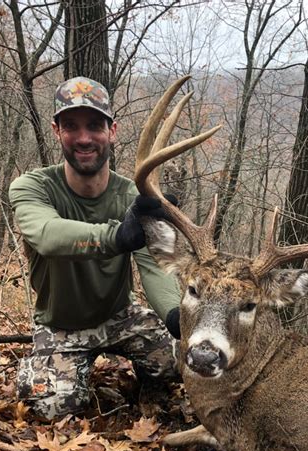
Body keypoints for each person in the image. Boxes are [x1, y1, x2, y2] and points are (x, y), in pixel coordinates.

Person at [9, 76, 181, 420]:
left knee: (178, 363)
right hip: (61, 324)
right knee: (51, 407)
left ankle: (148, 389)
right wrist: (117, 236)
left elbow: (154, 268)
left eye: (95, 126)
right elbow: (47, 234)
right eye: (71, 126)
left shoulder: (133, 196)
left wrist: (177, 315)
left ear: (112, 131)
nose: (84, 138)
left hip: (120, 316)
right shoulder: (32, 188)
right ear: (57, 131)